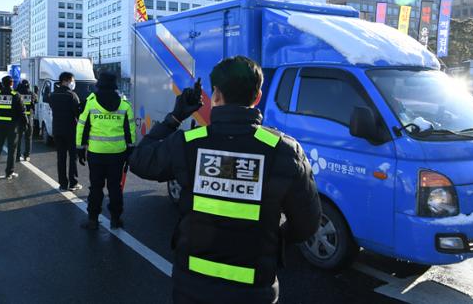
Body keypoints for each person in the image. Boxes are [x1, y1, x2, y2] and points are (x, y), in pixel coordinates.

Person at [129, 56, 321, 304]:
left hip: (192, 287)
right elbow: (307, 223)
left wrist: (175, 118)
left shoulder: (189, 143)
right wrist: (274, 239)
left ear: (216, 95)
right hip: (255, 290)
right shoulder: (284, 150)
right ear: (258, 97)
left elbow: (140, 160)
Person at [77, 72, 136, 229]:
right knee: (115, 187)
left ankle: (93, 220)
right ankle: (116, 219)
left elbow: (82, 126)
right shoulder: (124, 105)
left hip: (96, 153)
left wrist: (80, 147)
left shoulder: (91, 103)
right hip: (118, 153)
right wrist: (131, 149)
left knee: (96, 187)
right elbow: (130, 129)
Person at [49, 72, 82, 191]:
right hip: (70, 130)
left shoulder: (52, 95)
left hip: (57, 129)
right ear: (67, 81)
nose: (73, 83)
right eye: (72, 80)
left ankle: (63, 184)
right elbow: (78, 114)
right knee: (73, 157)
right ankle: (73, 183)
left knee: (61, 157)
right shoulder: (72, 96)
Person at [0, 76, 26, 180]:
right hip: (12, 126)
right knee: (12, 150)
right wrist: (25, 124)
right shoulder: (16, 95)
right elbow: (22, 111)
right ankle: (9, 173)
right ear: (11, 83)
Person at [15, 79, 36, 162]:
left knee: (18, 138)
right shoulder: (31, 94)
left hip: (19, 118)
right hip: (29, 118)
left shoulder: (17, 94)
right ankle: (26, 155)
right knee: (28, 138)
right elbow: (36, 100)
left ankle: (17, 155)